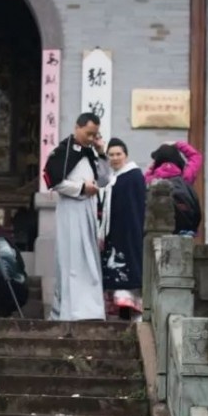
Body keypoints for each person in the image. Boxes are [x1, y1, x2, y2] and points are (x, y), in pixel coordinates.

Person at [43, 112, 107, 321]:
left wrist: (102, 152)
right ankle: (71, 311)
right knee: (72, 259)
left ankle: (90, 309)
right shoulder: (63, 152)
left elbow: (104, 180)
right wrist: (81, 188)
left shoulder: (90, 153)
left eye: (94, 135)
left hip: (88, 210)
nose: (91, 138)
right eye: (88, 133)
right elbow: (54, 181)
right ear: (77, 127)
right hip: (70, 209)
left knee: (89, 258)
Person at [99, 138, 147, 320]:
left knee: (128, 279)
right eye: (111, 155)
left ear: (126, 155)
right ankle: (121, 315)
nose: (115, 158)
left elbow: (136, 208)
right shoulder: (114, 178)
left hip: (129, 233)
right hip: (115, 234)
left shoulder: (133, 176)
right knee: (115, 277)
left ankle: (130, 316)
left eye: (118, 154)